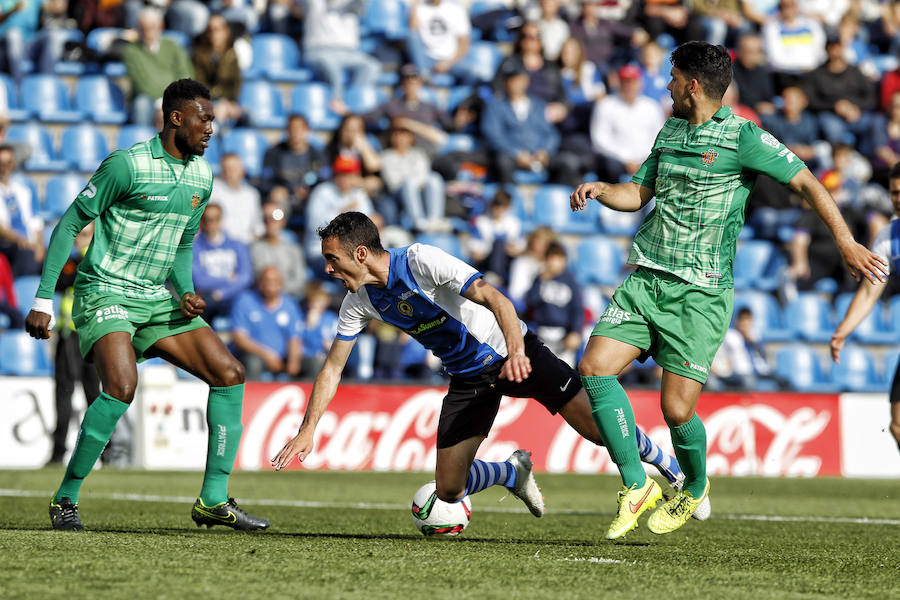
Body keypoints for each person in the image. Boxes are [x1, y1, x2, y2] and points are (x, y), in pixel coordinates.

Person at [570, 41, 886, 538]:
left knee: (676, 410)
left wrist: (847, 242)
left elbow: (807, 182)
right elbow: (638, 194)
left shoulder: (744, 137)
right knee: (593, 368)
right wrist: (602, 190)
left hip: (701, 294)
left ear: (692, 85)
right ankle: (636, 483)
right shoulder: (669, 130)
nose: (666, 86)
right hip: (647, 278)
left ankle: (694, 487)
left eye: (672, 77)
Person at [271, 211, 707, 529]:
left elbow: (497, 299)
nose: (328, 269)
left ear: (360, 252)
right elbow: (332, 368)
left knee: (599, 431)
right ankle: (512, 471)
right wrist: (308, 428)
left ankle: (667, 465)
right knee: (447, 489)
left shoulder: (421, 260)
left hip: (513, 351)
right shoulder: (359, 301)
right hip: (468, 378)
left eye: (333, 258)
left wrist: (517, 351)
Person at [25, 79, 269, 532]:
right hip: (106, 291)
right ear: (176, 118)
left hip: (156, 297)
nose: (211, 128)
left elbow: (182, 245)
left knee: (230, 373)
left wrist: (186, 290)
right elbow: (68, 225)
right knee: (120, 385)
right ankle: (65, 498)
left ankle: (213, 500)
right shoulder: (127, 165)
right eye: (205, 118)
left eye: (213, 119)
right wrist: (42, 298)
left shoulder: (202, 175)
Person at [832, 163, 900, 451]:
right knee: (897, 424)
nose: (898, 198)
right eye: (895, 192)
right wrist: (842, 332)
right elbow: (870, 292)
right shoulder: (888, 237)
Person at [47, 224, 103, 466]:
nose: (78, 239)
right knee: (86, 395)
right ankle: (104, 451)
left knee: (81, 395)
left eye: (84, 234)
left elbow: (66, 277)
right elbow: (61, 280)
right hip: (74, 333)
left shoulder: (93, 257)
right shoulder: (79, 259)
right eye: (78, 234)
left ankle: (62, 452)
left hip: (82, 334)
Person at [230, 265, 304, 381]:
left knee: (313, 363)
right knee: (253, 362)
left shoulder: (290, 305)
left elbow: (294, 337)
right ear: (260, 283)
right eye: (266, 280)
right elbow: (239, 338)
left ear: (281, 283)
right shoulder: (245, 301)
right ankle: (251, 397)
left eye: (274, 281)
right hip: (255, 356)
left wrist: (293, 361)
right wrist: (267, 355)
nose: (270, 284)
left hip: (283, 358)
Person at [122, 7, 194, 126]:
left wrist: (170, 102)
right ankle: (143, 141)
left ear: (161, 27)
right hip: (149, 99)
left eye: (152, 27)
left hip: (174, 98)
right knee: (142, 104)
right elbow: (142, 84)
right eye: (144, 28)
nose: (148, 32)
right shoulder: (131, 51)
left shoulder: (173, 47)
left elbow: (185, 75)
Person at [523, 241, 583, 367]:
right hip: (541, 334)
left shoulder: (570, 281)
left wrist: (576, 332)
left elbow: (577, 309)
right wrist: (541, 280)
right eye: (552, 258)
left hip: (563, 337)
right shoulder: (539, 278)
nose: (555, 263)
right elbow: (530, 301)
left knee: (565, 373)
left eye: (559, 258)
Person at [192, 203, 254, 323]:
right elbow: (199, 281)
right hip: (207, 299)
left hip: (232, 296)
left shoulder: (237, 245)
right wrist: (227, 278)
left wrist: (220, 294)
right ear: (202, 221)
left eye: (215, 219)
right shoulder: (195, 247)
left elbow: (246, 277)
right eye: (207, 219)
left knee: (245, 302)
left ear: (221, 220)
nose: (211, 223)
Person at [0, 143, 44, 276]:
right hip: (8, 245)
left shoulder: (23, 190)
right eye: (1, 163)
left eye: (8, 163)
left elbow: (36, 221)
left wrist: (39, 244)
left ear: (13, 165)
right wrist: (21, 240)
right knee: (26, 257)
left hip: (27, 245)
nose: (4, 168)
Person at [250, 202, 307, 298]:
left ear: (283, 222)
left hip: (288, 299)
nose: (271, 222)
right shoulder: (253, 249)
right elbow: (253, 279)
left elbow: (299, 281)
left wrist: (275, 290)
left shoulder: (293, 249)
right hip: (260, 298)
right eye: (266, 218)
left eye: (276, 217)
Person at [210, 153, 263, 244]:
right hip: (222, 244)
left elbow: (258, 225)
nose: (229, 172)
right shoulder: (213, 190)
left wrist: (255, 236)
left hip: (248, 244)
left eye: (233, 169)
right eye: (226, 169)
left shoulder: (252, 194)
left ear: (242, 171)